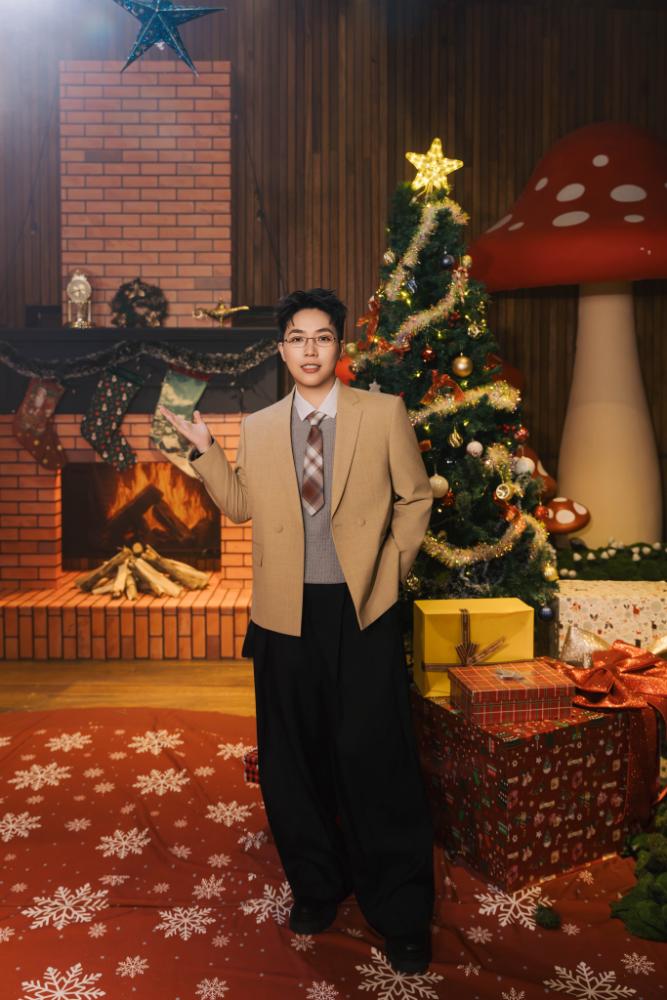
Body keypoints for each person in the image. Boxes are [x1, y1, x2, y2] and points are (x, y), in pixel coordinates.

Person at [159, 288, 435, 974]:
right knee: (292, 761)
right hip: (284, 614)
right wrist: (205, 451)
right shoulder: (258, 426)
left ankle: (400, 910)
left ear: (339, 347)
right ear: (281, 350)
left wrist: (391, 571)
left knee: (375, 756)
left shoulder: (381, 414)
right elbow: (239, 506)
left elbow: (415, 498)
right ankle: (315, 885)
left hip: (362, 608)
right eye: (297, 338)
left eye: (322, 337)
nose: (310, 350)